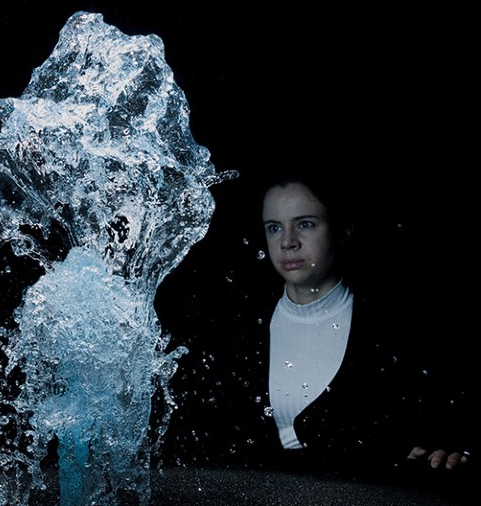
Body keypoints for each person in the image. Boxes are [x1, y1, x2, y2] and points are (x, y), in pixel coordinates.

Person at [164, 167, 475, 484]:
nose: (287, 242)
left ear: (341, 230)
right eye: (274, 228)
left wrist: (445, 450)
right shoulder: (232, 330)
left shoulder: (394, 331)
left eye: (305, 224)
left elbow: (438, 424)